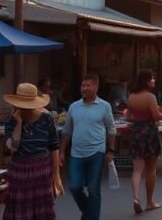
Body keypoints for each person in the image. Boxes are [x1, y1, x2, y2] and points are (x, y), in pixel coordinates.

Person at [61, 73, 116, 220]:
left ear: (96, 87)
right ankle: (88, 213)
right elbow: (67, 130)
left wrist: (110, 149)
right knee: (74, 186)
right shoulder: (74, 107)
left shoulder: (104, 106)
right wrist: (61, 151)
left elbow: (111, 129)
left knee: (93, 190)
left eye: (88, 85)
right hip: (76, 153)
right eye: (82, 85)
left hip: (97, 151)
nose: (84, 88)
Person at [3, 83, 62, 220]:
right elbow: (12, 148)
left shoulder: (46, 119)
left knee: (42, 212)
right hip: (19, 173)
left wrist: (56, 176)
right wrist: (18, 123)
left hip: (41, 171)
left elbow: (54, 147)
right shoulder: (11, 122)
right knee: (20, 212)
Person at [125, 69, 162, 213]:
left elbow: (128, 117)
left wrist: (138, 118)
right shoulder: (150, 97)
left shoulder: (132, 96)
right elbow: (156, 116)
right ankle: (149, 201)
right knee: (151, 168)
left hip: (136, 131)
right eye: (152, 78)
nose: (154, 80)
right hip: (149, 131)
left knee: (137, 169)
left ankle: (136, 197)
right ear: (147, 80)